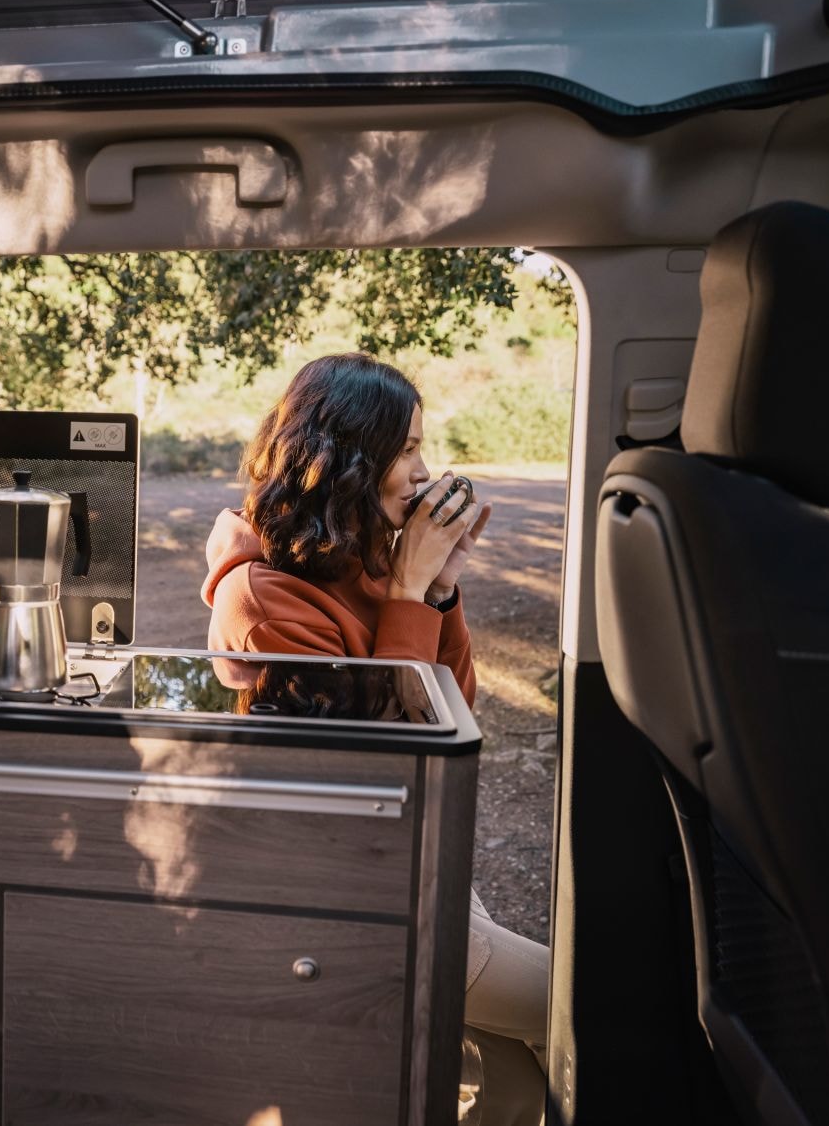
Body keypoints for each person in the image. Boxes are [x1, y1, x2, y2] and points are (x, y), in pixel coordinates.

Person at [201, 352, 550, 1126]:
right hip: (350, 886)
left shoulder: (362, 558)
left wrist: (437, 587)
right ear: (349, 460)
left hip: (419, 857)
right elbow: (376, 769)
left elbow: (450, 711)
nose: (426, 472)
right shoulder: (260, 598)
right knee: (581, 1007)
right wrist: (403, 593)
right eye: (409, 450)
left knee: (519, 1081)